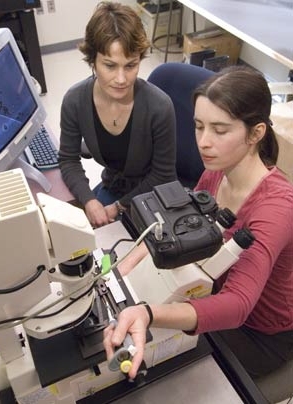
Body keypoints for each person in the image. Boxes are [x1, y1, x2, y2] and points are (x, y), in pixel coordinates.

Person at [103, 66, 293, 382]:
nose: (203, 142)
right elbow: (176, 230)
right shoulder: (217, 171)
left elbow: (237, 304)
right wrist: (117, 277)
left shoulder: (276, 208)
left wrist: (147, 313)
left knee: (158, 372)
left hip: (258, 335)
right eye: (198, 126)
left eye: (219, 130)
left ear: (256, 133)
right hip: (209, 294)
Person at [58, 2, 177, 228]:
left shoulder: (159, 106)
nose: (121, 79)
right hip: (112, 188)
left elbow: (163, 175)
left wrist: (117, 207)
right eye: (110, 66)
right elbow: (68, 159)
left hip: (154, 195)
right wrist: (89, 200)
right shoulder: (75, 101)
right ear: (92, 60)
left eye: (130, 65)